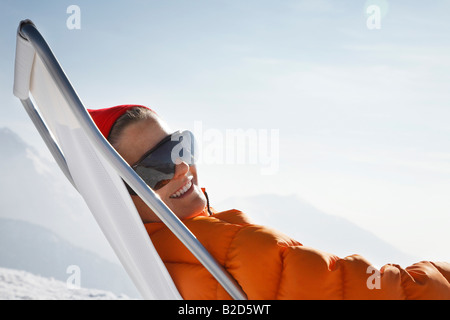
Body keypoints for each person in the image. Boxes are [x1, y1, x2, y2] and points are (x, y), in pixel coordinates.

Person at [89, 105, 450, 300]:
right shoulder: (231, 250)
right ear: (122, 198)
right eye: (155, 169)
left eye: (178, 147)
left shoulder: (168, 251)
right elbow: (387, 293)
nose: (182, 168)